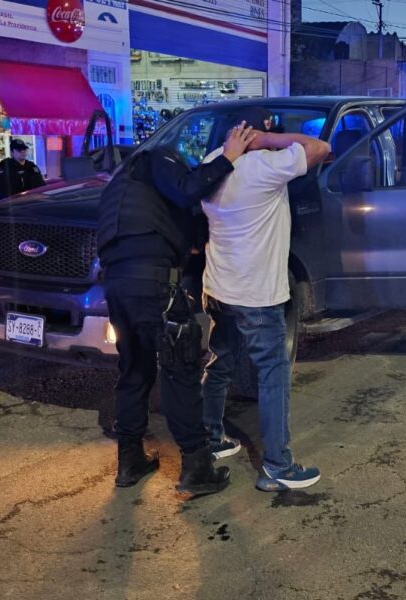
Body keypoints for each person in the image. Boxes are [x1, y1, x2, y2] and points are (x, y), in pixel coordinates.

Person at [95, 121, 258, 497]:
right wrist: (228, 158)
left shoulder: (121, 184)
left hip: (117, 286)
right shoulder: (158, 159)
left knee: (134, 370)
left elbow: (175, 223)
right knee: (180, 370)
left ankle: (129, 461)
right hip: (153, 284)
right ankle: (196, 468)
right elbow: (188, 189)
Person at [201, 107, 331, 492]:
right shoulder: (263, 166)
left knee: (221, 361)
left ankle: (211, 439)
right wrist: (268, 140)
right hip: (257, 293)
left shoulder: (212, 162)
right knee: (273, 373)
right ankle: (277, 465)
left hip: (219, 288)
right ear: (256, 131)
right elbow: (320, 148)